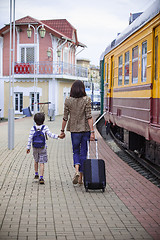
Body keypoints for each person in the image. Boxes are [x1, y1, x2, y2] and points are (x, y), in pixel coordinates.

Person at [59, 80, 95, 185]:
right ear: (83, 89)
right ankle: (81, 179)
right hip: (85, 130)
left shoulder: (68, 100)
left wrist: (62, 131)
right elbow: (89, 116)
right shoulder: (87, 100)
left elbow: (65, 117)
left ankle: (76, 171)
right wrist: (92, 132)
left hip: (74, 131)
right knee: (84, 152)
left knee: (76, 151)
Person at [27, 112, 65, 184]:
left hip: (35, 147)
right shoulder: (45, 127)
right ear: (43, 121)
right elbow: (50, 134)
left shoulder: (33, 128)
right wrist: (58, 136)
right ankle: (41, 177)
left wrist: (28, 147)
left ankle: (36, 174)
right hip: (43, 147)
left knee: (36, 160)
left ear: (35, 120)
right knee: (42, 162)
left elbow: (30, 138)